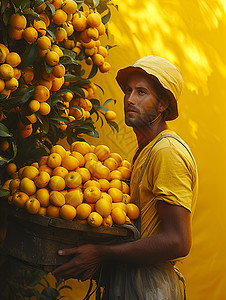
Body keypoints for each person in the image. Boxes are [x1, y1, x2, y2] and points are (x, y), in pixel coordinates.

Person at [53, 55, 198, 299]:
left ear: (163, 104)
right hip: (132, 281)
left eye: (142, 92)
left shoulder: (167, 152)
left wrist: (102, 252)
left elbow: (178, 241)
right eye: (128, 90)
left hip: (150, 288)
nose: (130, 99)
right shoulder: (145, 149)